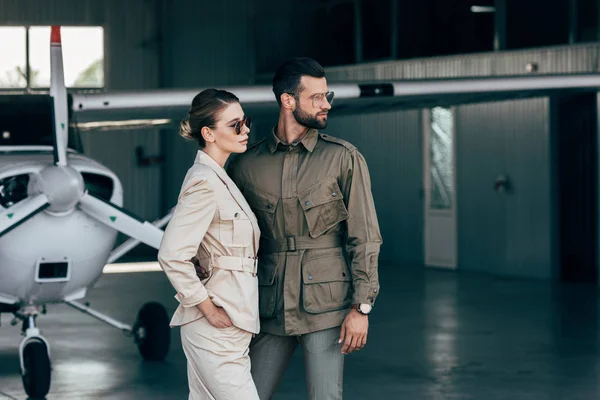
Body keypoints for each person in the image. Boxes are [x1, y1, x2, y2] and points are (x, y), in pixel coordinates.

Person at [227, 57, 382, 399]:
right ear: (288, 100)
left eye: (328, 96)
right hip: (270, 303)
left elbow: (365, 237)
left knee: (325, 396)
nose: (326, 104)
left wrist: (361, 307)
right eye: (316, 97)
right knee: (244, 395)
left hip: (325, 305)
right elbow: (231, 239)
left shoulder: (343, 158)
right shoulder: (246, 164)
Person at [157, 88, 260, 400]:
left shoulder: (219, 178)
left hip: (232, 319)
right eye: (235, 125)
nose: (246, 130)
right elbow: (172, 254)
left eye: (246, 122)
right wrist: (206, 307)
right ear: (208, 133)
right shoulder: (204, 181)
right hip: (215, 323)